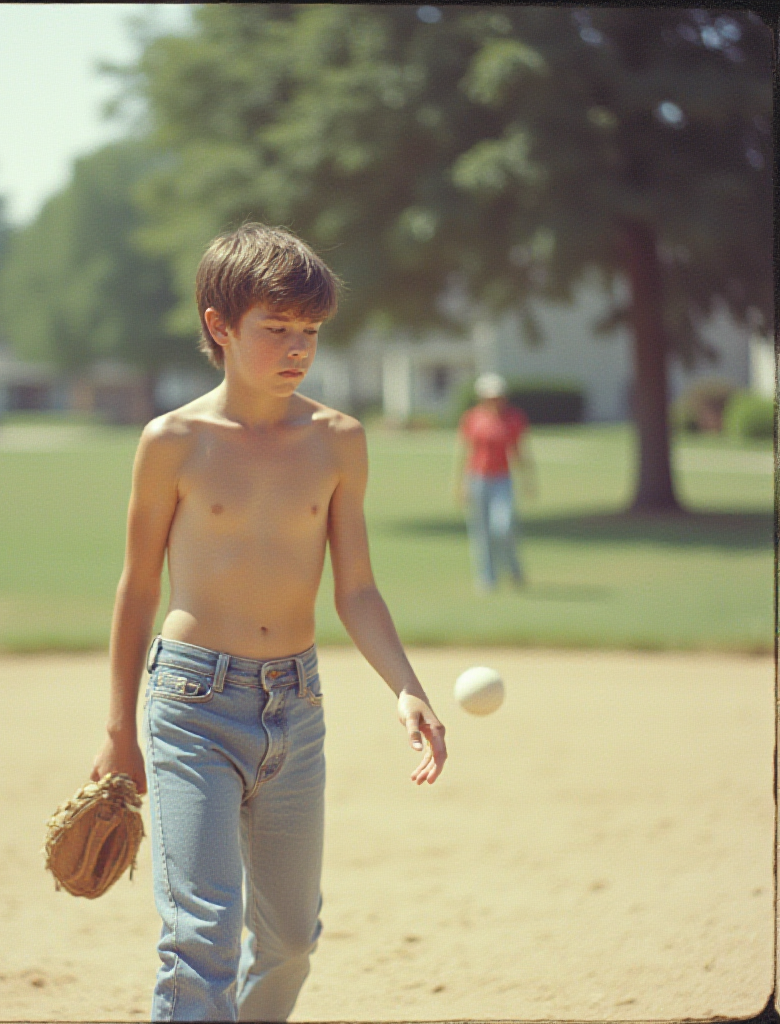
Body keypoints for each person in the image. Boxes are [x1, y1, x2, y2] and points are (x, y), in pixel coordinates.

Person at [90, 223, 447, 1022]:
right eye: (275, 329)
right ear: (220, 327)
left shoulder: (338, 442)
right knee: (201, 937)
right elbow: (136, 588)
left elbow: (356, 589)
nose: (297, 348)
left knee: (290, 941)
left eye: (310, 331)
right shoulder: (173, 442)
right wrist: (119, 731)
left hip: (296, 705)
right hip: (191, 705)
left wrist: (406, 687)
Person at [453, 373, 537, 592]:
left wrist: (527, 479)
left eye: (498, 396)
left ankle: (513, 568)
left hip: (502, 479)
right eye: (490, 397)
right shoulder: (472, 418)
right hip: (477, 479)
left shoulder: (513, 418)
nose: (495, 401)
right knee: (481, 531)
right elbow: (465, 452)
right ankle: (487, 578)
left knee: (503, 526)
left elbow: (519, 451)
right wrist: (461, 484)